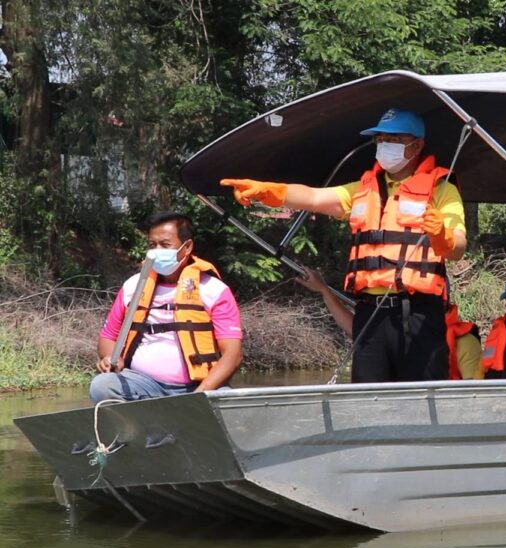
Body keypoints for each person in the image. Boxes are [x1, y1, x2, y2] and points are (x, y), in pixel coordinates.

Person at [221, 108, 467, 383]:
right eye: (380, 139)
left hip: (418, 313)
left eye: (394, 139)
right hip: (370, 313)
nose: (384, 145)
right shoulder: (362, 189)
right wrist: (268, 191)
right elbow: (314, 198)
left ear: (417, 145)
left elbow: (458, 247)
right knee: (366, 393)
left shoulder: (442, 189)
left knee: (420, 392)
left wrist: (442, 236)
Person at [89, 212, 243, 403]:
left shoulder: (214, 290)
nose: (157, 251)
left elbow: (233, 354)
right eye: (152, 245)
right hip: (143, 384)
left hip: (199, 386)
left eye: (165, 244)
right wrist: (111, 357)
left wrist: (198, 397)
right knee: (102, 386)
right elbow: (108, 336)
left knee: (227, 398)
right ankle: (136, 421)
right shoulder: (133, 286)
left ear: (187, 247)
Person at [297, 267, 481, 380]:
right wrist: (324, 291)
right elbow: (358, 331)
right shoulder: (392, 327)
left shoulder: (465, 343)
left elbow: (473, 397)